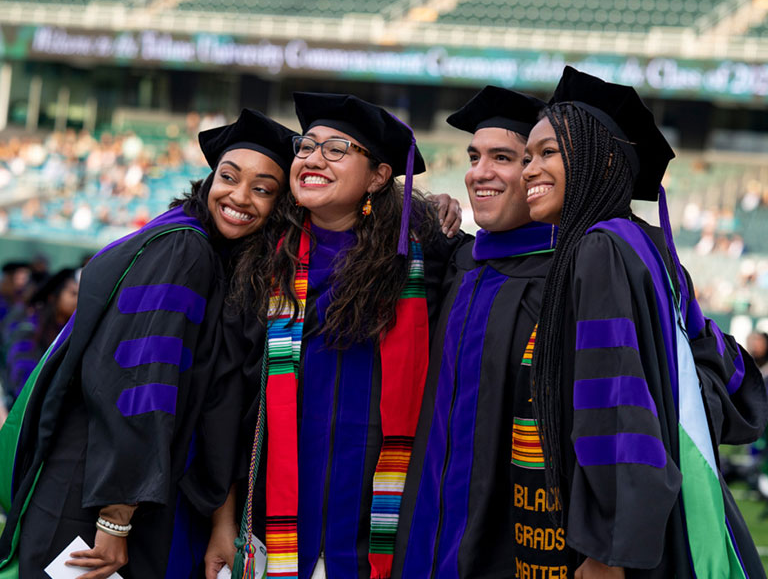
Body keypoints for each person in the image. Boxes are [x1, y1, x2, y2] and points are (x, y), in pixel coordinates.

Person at [0, 108, 297, 579]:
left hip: (114, 489)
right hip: (96, 496)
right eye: (229, 177)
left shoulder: (192, 246)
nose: (239, 197)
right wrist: (115, 520)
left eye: (262, 189)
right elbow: (142, 383)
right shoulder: (186, 249)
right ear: (209, 179)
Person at [520, 66, 767, 577]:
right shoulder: (650, 248)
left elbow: (614, 406)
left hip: (629, 545)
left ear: (602, 158)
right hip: (675, 512)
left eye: (547, 153)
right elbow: (721, 370)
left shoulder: (599, 249)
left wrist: (608, 549)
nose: (528, 170)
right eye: (527, 156)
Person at [206, 92, 463, 579]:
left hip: (383, 529)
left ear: (379, 176)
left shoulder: (422, 257)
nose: (313, 159)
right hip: (270, 529)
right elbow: (227, 401)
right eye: (306, 147)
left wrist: (437, 212)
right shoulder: (261, 261)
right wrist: (223, 521)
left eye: (337, 149)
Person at [393, 86, 568, 578]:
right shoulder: (461, 262)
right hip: (429, 527)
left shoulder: (573, 277)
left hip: (515, 536)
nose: (479, 172)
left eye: (503, 157)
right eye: (474, 157)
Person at [4, 268, 79, 402]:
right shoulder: (29, 330)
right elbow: (24, 384)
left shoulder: (70, 333)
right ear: (53, 296)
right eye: (73, 293)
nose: (78, 300)